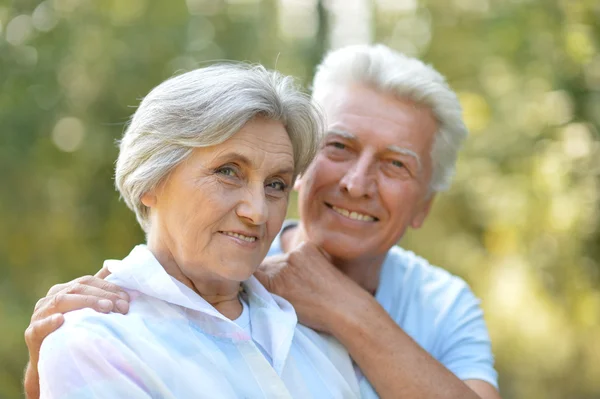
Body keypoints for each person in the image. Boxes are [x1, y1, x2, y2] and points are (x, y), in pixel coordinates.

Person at [25, 45, 501, 399]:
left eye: (396, 164)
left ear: (425, 206)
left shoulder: (430, 307)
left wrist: (341, 306)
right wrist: (47, 368)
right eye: (339, 147)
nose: (357, 183)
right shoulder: (113, 323)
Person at [32, 63, 361, 398]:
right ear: (152, 179)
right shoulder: (97, 343)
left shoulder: (316, 334)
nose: (258, 211)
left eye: (275, 184)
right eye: (229, 171)